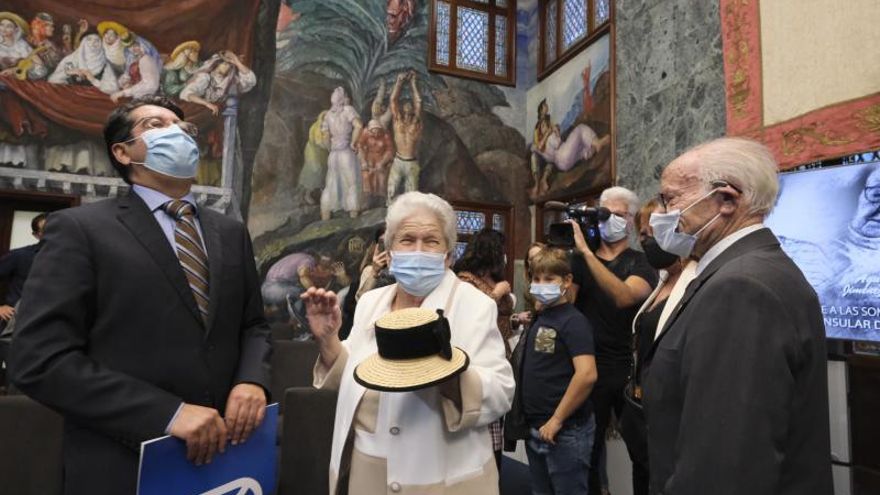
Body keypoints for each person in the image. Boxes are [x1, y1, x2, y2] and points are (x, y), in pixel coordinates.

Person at [9, 96, 272, 495]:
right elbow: (38, 359)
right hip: (122, 461)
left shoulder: (230, 232)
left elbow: (253, 325)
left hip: (227, 460)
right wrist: (169, 414)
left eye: (184, 128)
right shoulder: (80, 229)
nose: (177, 133)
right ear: (122, 151)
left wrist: (252, 381)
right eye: (156, 124)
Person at [643, 137, 832, 495]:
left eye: (670, 198)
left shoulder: (742, 288)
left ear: (727, 200)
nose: (660, 213)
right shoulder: (745, 269)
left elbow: (723, 465)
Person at [302, 191, 514, 494]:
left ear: (448, 255)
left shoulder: (475, 305)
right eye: (407, 240)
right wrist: (327, 339)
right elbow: (354, 370)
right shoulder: (371, 302)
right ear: (390, 252)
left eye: (431, 241)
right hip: (368, 472)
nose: (418, 250)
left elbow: (502, 390)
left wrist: (442, 372)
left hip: (442, 480)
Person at [567, 186, 658, 495]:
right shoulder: (579, 260)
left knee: (641, 452)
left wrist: (587, 254)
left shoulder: (641, 262)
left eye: (618, 215)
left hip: (624, 368)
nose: (610, 220)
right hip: (587, 367)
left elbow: (623, 296)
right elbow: (565, 306)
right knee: (587, 453)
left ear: (630, 220)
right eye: (605, 214)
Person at [615, 199, 696, 495]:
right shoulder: (662, 279)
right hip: (642, 410)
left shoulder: (696, 279)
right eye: (644, 235)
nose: (648, 241)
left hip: (672, 416)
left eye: (655, 233)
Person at [517, 247, 598, 494]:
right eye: (537, 279)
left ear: (566, 281)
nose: (541, 285)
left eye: (549, 279)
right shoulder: (543, 316)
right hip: (537, 427)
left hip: (564, 431)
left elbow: (586, 375)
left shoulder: (573, 321)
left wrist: (557, 419)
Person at [452, 227, 514, 475]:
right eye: (502, 250)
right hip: (476, 360)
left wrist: (515, 320)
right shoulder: (465, 279)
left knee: (497, 425)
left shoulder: (493, 277)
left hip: (500, 356)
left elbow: (501, 315)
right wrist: (497, 293)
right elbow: (471, 312)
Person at [0, 213, 47, 380]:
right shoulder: (20, 256)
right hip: (16, 327)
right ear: (36, 234)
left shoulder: (72, 258)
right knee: (17, 383)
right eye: (46, 229)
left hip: (50, 328)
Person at [319, 86, 363, 220]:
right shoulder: (348, 110)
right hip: (346, 152)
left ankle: (326, 213)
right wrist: (353, 143)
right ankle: (353, 212)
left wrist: (330, 148)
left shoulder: (327, 115)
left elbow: (325, 136)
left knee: (331, 182)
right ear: (343, 98)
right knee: (351, 182)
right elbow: (359, 125)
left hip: (334, 154)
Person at [180, 51, 257, 116]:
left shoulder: (228, 80)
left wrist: (237, 62)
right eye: (225, 64)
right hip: (199, 110)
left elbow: (250, 81)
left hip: (216, 113)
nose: (228, 68)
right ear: (217, 64)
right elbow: (189, 94)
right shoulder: (205, 77)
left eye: (230, 66)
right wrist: (207, 104)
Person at [387, 71, 423, 204]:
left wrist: (413, 83)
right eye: (405, 105)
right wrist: (399, 82)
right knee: (391, 192)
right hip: (398, 161)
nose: (408, 106)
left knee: (412, 197)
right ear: (402, 108)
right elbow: (393, 100)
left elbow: (418, 101)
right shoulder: (398, 121)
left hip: (411, 163)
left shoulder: (416, 123)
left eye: (410, 105)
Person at [48, 33, 118, 94]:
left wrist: (93, 80)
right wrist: (69, 72)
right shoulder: (70, 60)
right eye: (89, 39)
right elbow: (51, 80)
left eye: (97, 40)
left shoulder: (105, 63)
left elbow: (113, 88)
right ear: (83, 43)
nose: (92, 43)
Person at [356, 119, 395, 208]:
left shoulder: (385, 135)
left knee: (381, 179)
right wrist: (363, 161)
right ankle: (367, 201)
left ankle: (381, 201)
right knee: (366, 177)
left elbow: (390, 150)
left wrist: (382, 162)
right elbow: (360, 145)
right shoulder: (365, 132)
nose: (376, 133)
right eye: (374, 131)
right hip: (369, 157)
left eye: (378, 130)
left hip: (381, 157)